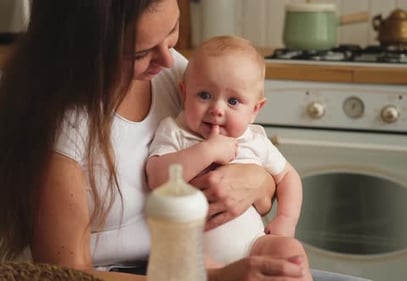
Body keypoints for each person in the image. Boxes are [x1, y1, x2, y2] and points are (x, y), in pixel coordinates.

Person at [0, 0, 309, 280]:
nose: (167, 58)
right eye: (140, 52)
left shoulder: (173, 71)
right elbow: (65, 276)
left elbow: (264, 179)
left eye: (172, 30)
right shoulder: (60, 123)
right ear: (90, 47)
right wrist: (216, 278)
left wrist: (256, 180)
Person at [146, 35, 310, 279]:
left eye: (233, 101)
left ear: (255, 110)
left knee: (290, 251)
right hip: (196, 250)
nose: (217, 109)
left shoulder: (254, 139)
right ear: (184, 92)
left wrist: (287, 218)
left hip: (254, 244)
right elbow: (157, 178)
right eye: (204, 95)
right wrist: (207, 151)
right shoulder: (175, 131)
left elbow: (288, 176)